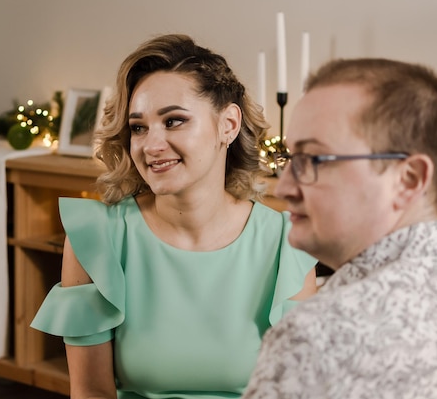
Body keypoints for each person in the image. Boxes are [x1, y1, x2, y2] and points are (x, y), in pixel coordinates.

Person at [31, 34, 318, 399]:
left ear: (228, 125)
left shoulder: (285, 243)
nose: (151, 146)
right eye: (138, 127)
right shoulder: (97, 240)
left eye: (174, 121)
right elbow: (91, 393)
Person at [242, 58, 437, 399]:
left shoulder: (318, 334)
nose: (285, 187)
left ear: (407, 179)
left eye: (313, 160)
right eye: (289, 160)